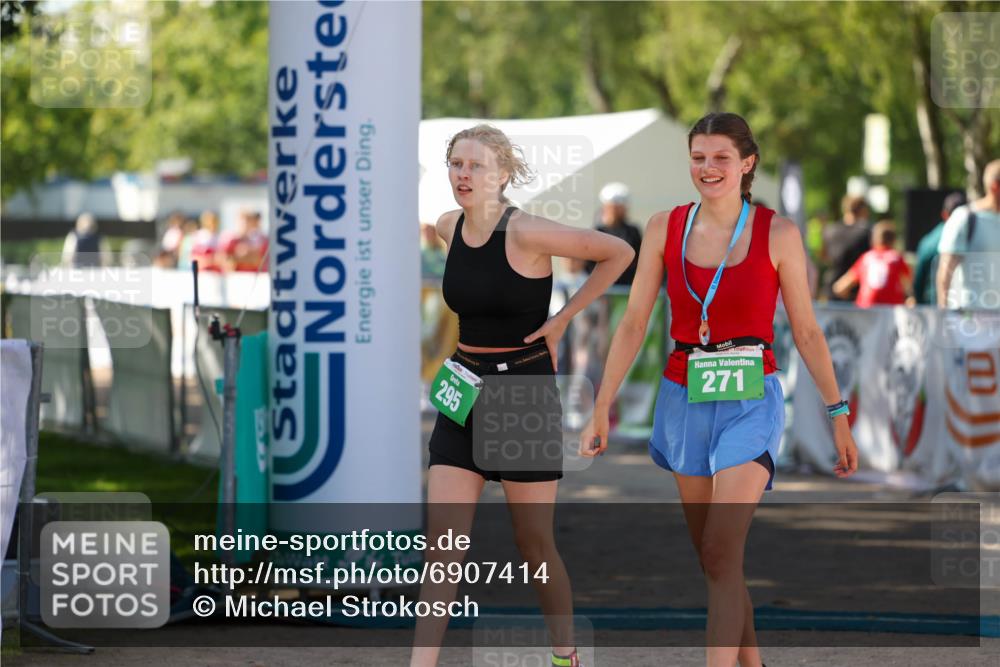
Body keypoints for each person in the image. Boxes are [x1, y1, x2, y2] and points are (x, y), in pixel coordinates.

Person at [580, 112, 858, 667]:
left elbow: (805, 330)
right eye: (699, 157)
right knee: (716, 561)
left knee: (719, 547)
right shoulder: (664, 226)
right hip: (684, 399)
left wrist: (838, 412)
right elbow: (633, 323)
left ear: (747, 164)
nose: (708, 168)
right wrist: (601, 406)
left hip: (751, 402)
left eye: (721, 158)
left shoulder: (778, 232)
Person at [411, 124, 635, 667]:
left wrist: (562, 319)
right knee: (443, 545)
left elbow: (618, 252)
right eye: (456, 164)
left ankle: (565, 656)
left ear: (503, 174)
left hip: (521, 395)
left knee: (532, 544)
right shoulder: (448, 227)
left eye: (476, 165)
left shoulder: (528, 230)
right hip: (462, 388)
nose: (464, 175)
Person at [937, 159, 1000, 309]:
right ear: (995, 187)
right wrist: (943, 317)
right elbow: (945, 270)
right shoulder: (964, 218)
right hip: (968, 321)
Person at [832, 220, 913, 307]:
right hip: (891, 311)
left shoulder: (866, 258)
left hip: (866, 310)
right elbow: (909, 287)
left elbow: (839, 288)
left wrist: (854, 298)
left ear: (874, 239)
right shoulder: (897, 258)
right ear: (894, 240)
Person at [584, 182, 643, 286]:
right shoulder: (597, 232)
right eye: (614, 207)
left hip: (627, 288)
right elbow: (589, 265)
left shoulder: (633, 231)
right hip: (602, 290)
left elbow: (639, 260)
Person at [913, 192, 966, 306]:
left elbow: (918, 283)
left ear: (944, 214)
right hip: (957, 307)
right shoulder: (973, 237)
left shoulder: (928, 241)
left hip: (935, 307)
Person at [821, 195, 872, 301]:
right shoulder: (866, 234)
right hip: (855, 293)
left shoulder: (830, 231)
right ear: (863, 210)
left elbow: (824, 257)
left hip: (831, 289)